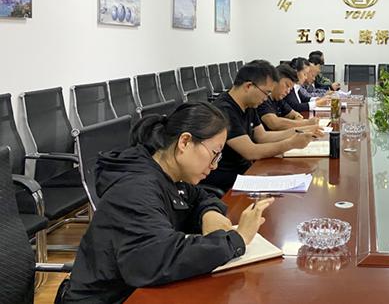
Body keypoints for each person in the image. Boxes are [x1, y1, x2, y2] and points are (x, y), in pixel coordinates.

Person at [62, 102, 274, 303]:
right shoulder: (136, 188)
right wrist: (237, 239)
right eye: (214, 154)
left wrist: (209, 213)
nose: (214, 166)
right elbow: (157, 258)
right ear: (184, 142)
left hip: (134, 290)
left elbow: (199, 197)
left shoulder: (167, 173)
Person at [201, 60, 323, 191]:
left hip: (249, 172)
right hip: (230, 183)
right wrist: (291, 143)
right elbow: (250, 151)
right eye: (266, 93)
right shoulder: (224, 110)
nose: (266, 98)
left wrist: (300, 132)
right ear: (248, 86)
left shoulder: (248, 104)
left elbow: (262, 137)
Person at [258, 63, 321, 131]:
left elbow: (296, 115)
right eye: (287, 85)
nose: (288, 91)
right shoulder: (262, 99)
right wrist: (306, 123)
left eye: (290, 89)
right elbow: (274, 123)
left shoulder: (278, 99)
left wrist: (297, 122)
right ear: (276, 80)